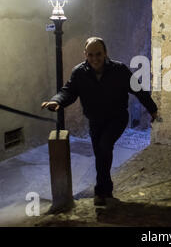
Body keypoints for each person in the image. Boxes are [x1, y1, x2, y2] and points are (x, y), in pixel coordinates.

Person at [41, 36, 158, 206]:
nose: (94, 59)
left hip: (116, 118)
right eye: (90, 55)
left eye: (98, 54)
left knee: (104, 147)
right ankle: (106, 190)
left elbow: (138, 90)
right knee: (100, 154)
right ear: (85, 54)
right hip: (95, 120)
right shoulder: (79, 72)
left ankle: (100, 191)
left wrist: (152, 109)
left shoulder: (119, 70)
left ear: (105, 53)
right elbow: (69, 91)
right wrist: (57, 101)